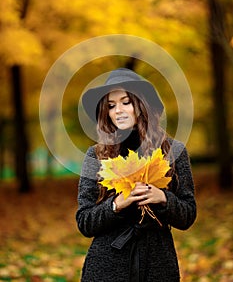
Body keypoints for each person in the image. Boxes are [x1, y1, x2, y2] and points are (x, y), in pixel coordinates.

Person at [76, 68, 196, 282]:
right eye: (111, 106)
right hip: (106, 268)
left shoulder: (173, 151)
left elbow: (188, 215)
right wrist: (117, 204)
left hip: (158, 265)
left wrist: (164, 199)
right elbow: (85, 222)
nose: (118, 111)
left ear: (142, 105)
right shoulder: (96, 155)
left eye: (126, 102)